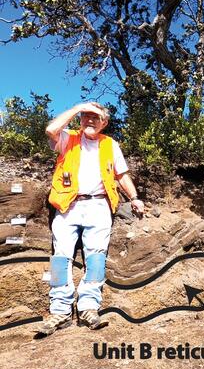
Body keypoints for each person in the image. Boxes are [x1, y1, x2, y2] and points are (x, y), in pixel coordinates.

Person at [38, 102, 144, 335]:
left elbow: (122, 174)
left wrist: (134, 197)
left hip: (99, 206)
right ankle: (60, 311)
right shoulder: (69, 138)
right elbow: (50, 131)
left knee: (96, 258)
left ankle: (89, 307)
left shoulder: (110, 144)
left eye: (95, 117)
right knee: (59, 258)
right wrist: (77, 108)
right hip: (68, 205)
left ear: (104, 123)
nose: (89, 120)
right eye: (85, 116)